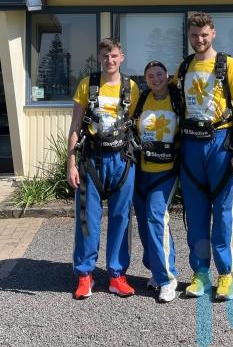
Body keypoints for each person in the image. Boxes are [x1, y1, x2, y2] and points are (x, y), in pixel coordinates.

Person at [176, 12, 233, 301]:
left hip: (220, 143)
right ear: (189, 36)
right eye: (195, 35)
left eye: (204, 34)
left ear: (213, 33)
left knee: (222, 213)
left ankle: (226, 275)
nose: (200, 39)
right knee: (195, 214)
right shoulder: (183, 68)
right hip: (190, 145)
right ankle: (200, 273)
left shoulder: (228, 65)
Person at [67, 38, 140, 299]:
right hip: (91, 161)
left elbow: (138, 124)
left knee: (121, 218)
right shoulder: (88, 84)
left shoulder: (132, 87)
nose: (110, 61)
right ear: (100, 57)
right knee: (88, 220)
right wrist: (71, 163)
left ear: (122, 57)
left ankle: (116, 275)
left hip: (121, 160)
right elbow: (76, 125)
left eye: (115, 56)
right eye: (105, 56)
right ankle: (85, 275)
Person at [131, 60, 182, 303]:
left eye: (159, 74)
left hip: (166, 171)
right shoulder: (142, 100)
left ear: (167, 75)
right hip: (142, 171)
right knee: (144, 222)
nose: (155, 79)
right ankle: (156, 269)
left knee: (156, 216)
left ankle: (167, 279)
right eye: (150, 75)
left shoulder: (176, 98)